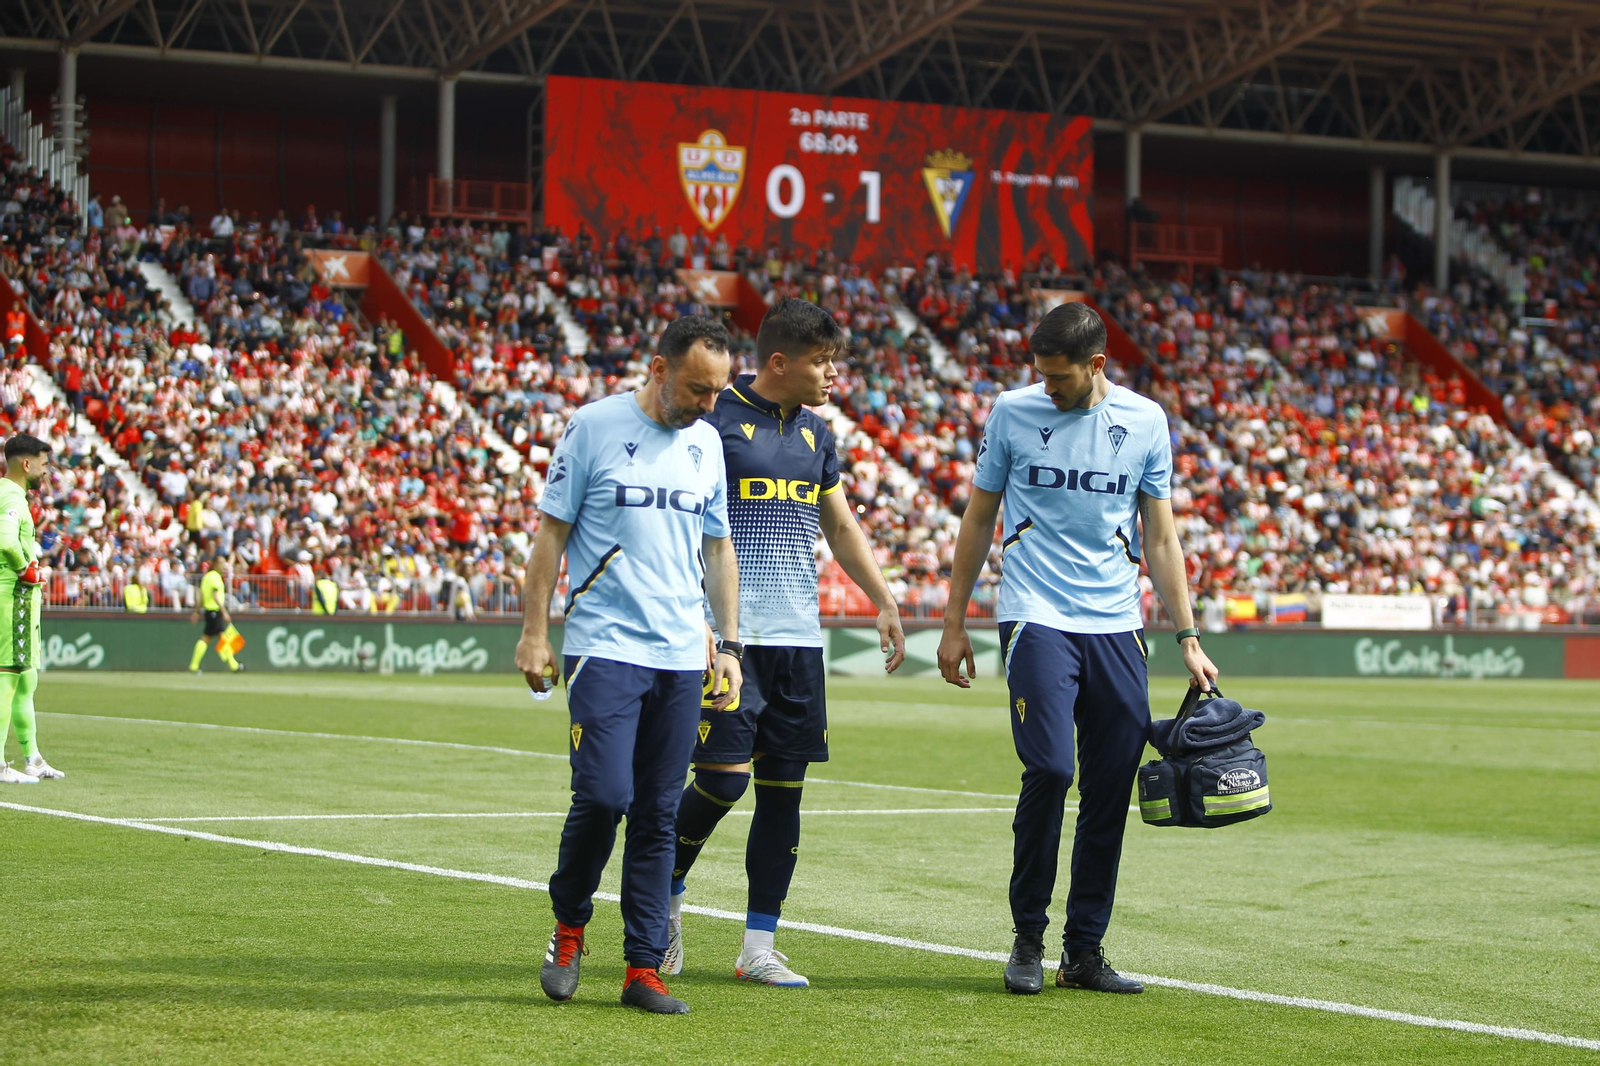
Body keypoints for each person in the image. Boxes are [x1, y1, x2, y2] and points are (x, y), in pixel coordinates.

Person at [936, 302, 1218, 996]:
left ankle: (1083, 952)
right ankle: (1027, 938)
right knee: (1051, 771)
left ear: (1096, 366)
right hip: (1035, 616)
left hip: (1118, 624)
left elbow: (1160, 537)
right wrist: (952, 621)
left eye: (1060, 378)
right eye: (1041, 375)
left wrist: (1187, 636)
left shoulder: (1146, 422)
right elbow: (977, 519)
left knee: (1108, 790)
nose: (1049, 388)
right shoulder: (1011, 412)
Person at [665, 298, 906, 986]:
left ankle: (757, 948)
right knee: (720, 781)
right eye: (823, 361)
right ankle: (663, 898)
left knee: (783, 795)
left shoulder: (816, 435)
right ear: (780, 361)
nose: (833, 375)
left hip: (799, 640)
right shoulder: (714, 420)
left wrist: (883, 599)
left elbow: (840, 524)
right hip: (731, 640)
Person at [515, 315, 742, 1015]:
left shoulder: (707, 444)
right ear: (658, 367)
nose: (708, 406)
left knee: (658, 813)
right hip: (604, 646)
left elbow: (718, 547)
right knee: (605, 797)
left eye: (718, 393)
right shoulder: (593, 426)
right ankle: (569, 926)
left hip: (681, 653)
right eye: (698, 390)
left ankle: (643, 969)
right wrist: (533, 632)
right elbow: (551, 533)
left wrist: (728, 643)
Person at [0, 435, 61, 783]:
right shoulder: (11, 495)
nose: (45, 469)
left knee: (25, 680)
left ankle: (33, 759)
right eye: (43, 462)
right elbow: (6, 541)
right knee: (8, 677)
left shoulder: (11, 495)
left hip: (20, 599)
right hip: (13, 597)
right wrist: (27, 568)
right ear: (26, 464)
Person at [189, 558, 244, 674]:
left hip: (209, 611)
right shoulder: (215, 577)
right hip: (214, 611)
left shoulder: (207, 577)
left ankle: (233, 664)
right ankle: (232, 665)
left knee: (218, 637)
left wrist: (197, 611)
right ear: (214, 565)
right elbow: (215, 596)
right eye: (221, 563)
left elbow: (202, 596)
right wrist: (224, 612)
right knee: (210, 638)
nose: (224, 566)